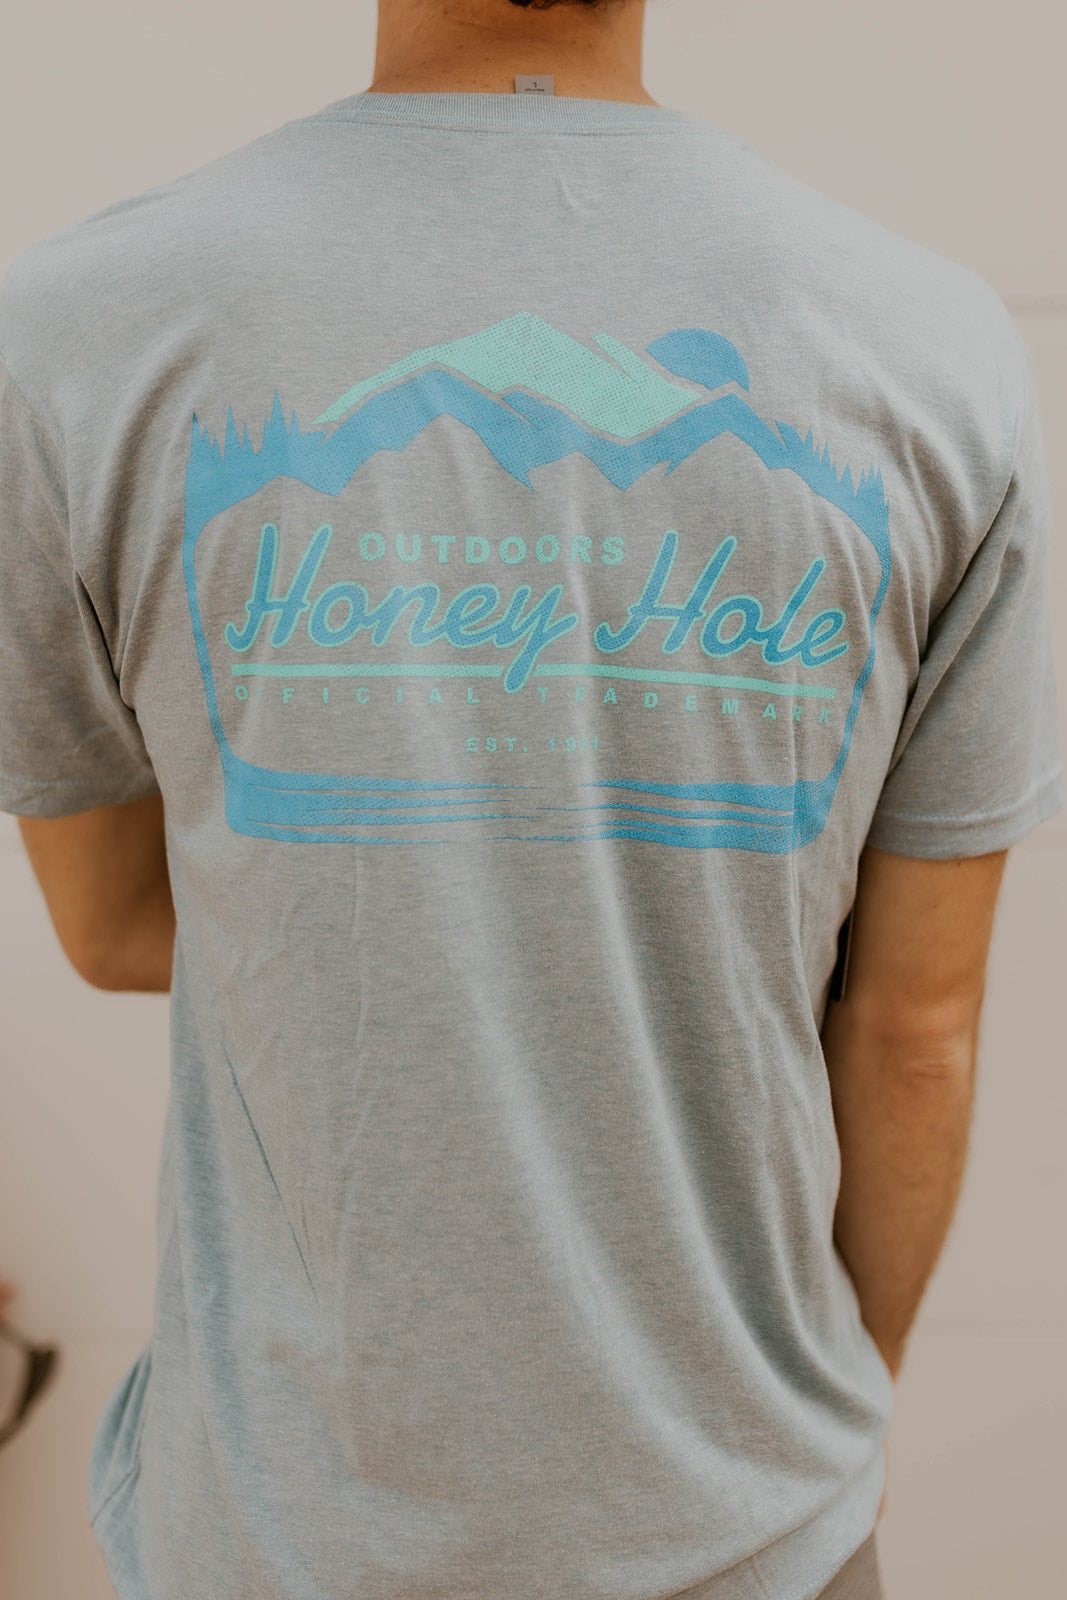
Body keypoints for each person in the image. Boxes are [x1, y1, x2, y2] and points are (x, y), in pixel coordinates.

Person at [0, 0, 1060, 1595]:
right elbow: (916, 1026)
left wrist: (426, 894)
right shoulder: (933, 347)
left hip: (279, 1537)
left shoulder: (78, 330)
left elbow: (118, 923)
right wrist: (811, 1427)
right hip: (755, 1532)